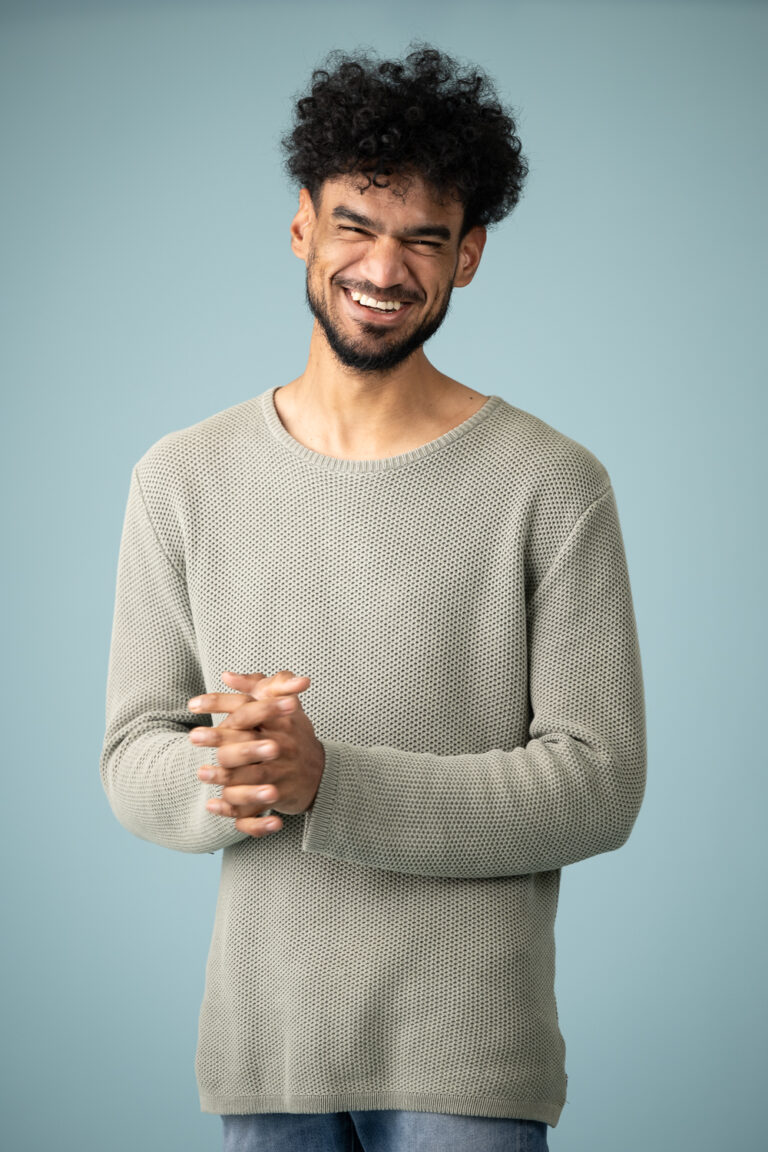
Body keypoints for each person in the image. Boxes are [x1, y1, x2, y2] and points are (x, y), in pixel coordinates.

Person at [100, 44, 646, 1152]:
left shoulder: (551, 484)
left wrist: (329, 782)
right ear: (302, 223)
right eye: (357, 223)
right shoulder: (180, 478)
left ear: (470, 255)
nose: (384, 268)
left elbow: (599, 784)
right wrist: (233, 775)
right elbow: (130, 759)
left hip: (469, 1062)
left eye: (424, 238)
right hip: (267, 1056)